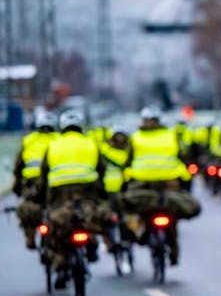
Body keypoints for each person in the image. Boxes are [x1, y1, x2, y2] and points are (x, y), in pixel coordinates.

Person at [39, 110, 112, 284]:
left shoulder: (53, 145)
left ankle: (61, 264)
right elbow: (101, 170)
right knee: (91, 218)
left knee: (56, 225)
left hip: (60, 193)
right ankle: (91, 247)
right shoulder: (91, 143)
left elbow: (44, 173)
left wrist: (42, 196)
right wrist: (102, 192)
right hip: (87, 191)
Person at [124, 106, 199, 266]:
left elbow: (127, 162)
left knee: (139, 209)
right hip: (169, 182)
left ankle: (143, 233)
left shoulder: (136, 138)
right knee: (172, 215)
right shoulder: (170, 135)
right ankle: (174, 250)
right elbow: (183, 157)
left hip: (142, 183)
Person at [12, 111, 58, 249]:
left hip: (31, 184)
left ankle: (30, 238)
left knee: (28, 210)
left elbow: (18, 168)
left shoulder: (28, 140)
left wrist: (17, 189)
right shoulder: (58, 139)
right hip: (53, 183)